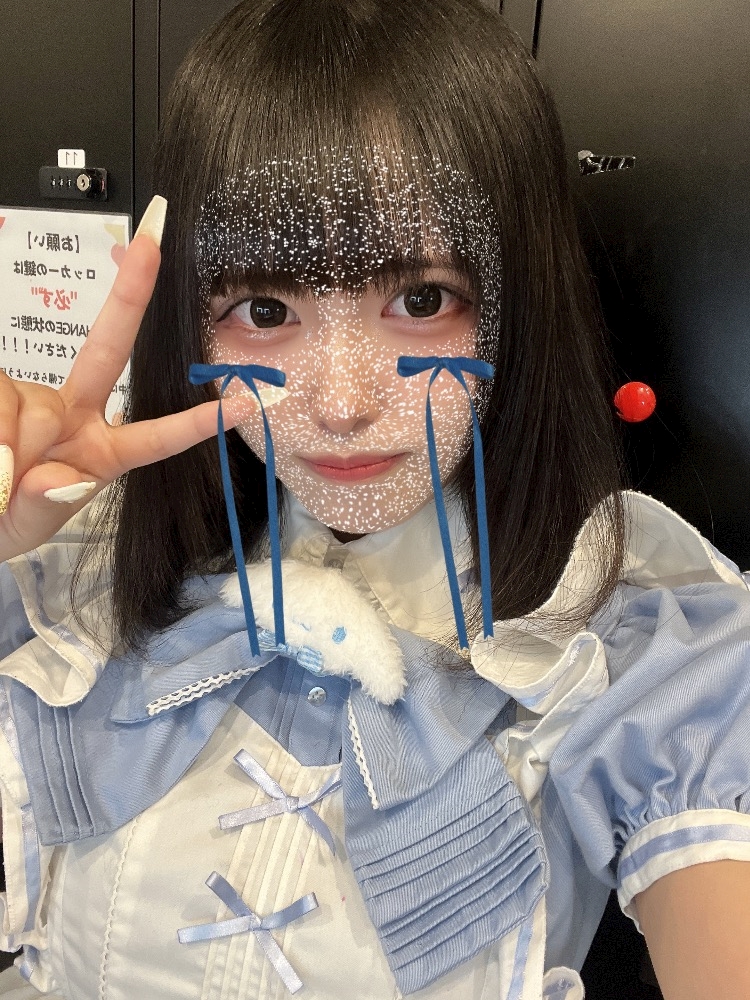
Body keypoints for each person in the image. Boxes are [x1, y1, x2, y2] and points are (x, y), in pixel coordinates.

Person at [0, 1, 749, 998]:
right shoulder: (69, 576)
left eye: (422, 299)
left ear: (519, 303)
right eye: (265, 308)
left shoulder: (641, 643)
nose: (344, 403)